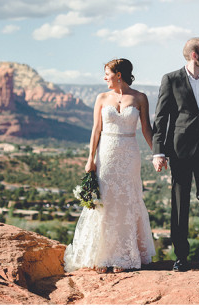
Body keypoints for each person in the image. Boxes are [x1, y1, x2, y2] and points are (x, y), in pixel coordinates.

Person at [64, 58, 156, 273]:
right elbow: (96, 130)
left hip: (129, 154)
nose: (105, 78)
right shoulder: (102, 97)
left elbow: (146, 129)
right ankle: (102, 256)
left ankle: (124, 256)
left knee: (127, 199)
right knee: (105, 202)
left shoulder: (140, 97)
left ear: (119, 75)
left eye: (107, 73)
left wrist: (157, 154)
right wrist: (90, 159)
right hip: (106, 153)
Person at [152, 37, 199, 272]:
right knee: (180, 202)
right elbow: (161, 118)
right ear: (194, 55)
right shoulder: (171, 79)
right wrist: (158, 152)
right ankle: (181, 257)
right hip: (179, 151)